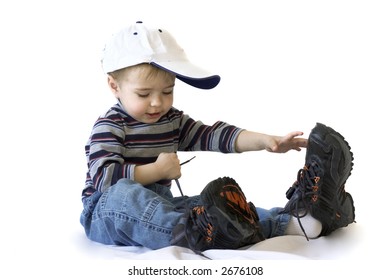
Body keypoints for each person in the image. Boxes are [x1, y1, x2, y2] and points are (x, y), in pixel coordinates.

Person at [80, 21, 355, 253]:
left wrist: (266, 141)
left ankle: (298, 221)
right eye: (144, 94)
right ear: (114, 86)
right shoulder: (110, 125)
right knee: (124, 197)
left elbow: (213, 135)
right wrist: (156, 171)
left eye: (167, 91)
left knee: (203, 206)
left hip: (162, 203)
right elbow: (104, 179)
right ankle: (196, 233)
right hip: (105, 211)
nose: (157, 103)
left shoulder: (171, 120)